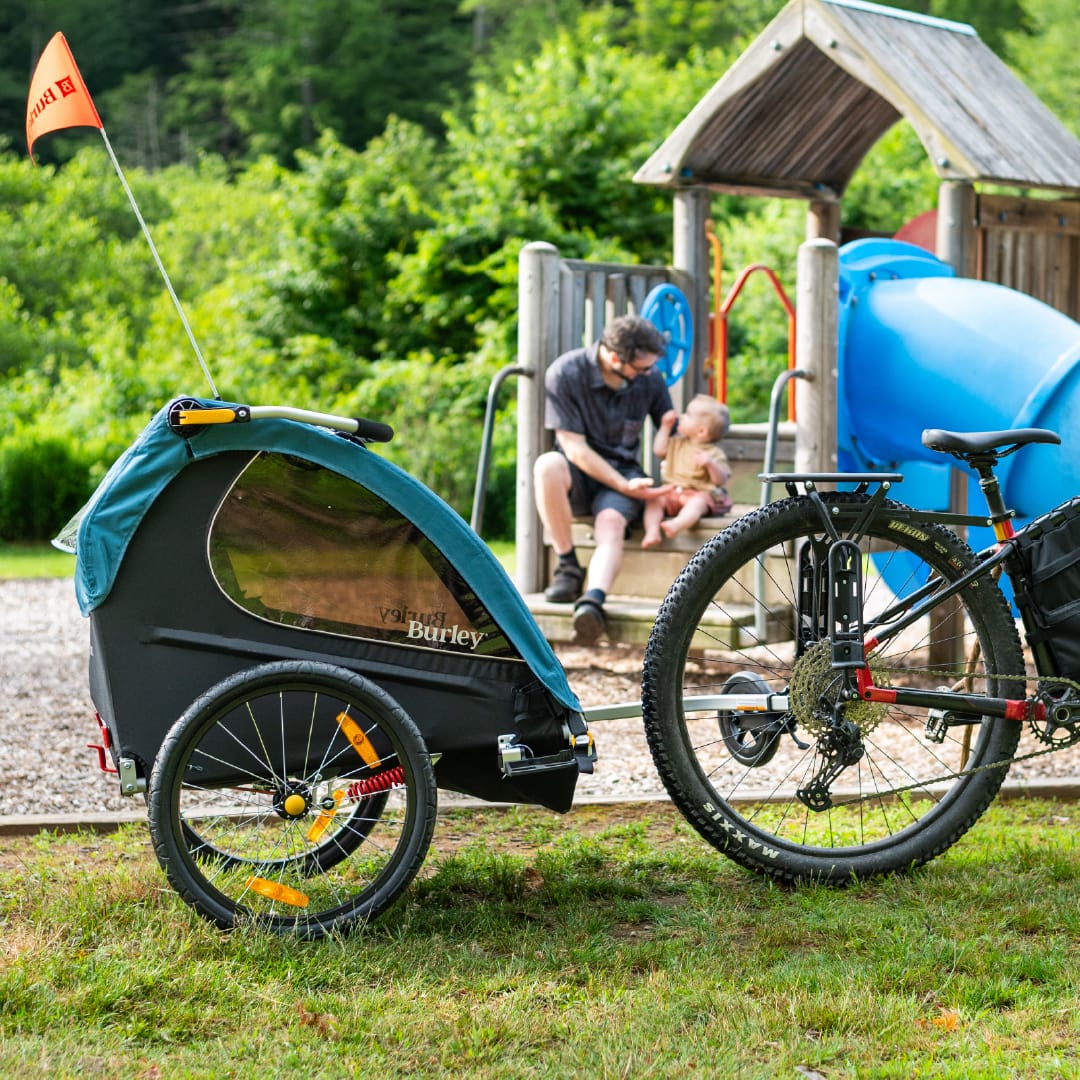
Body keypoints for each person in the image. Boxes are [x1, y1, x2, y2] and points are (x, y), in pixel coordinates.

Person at [534, 314, 674, 644]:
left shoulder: (650, 378)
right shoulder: (565, 373)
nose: (648, 374)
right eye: (640, 369)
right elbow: (574, 447)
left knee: (611, 522)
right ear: (614, 357)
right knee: (546, 465)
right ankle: (568, 566)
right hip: (578, 471)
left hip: (626, 474)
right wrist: (621, 484)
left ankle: (592, 602)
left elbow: (669, 438)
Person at [641, 395, 732, 549]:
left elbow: (720, 480)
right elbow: (658, 450)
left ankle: (677, 524)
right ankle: (652, 531)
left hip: (698, 493)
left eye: (688, 415)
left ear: (701, 431)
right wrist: (665, 427)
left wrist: (710, 465)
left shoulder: (713, 453)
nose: (682, 417)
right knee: (654, 500)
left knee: (697, 504)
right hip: (672, 491)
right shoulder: (677, 442)